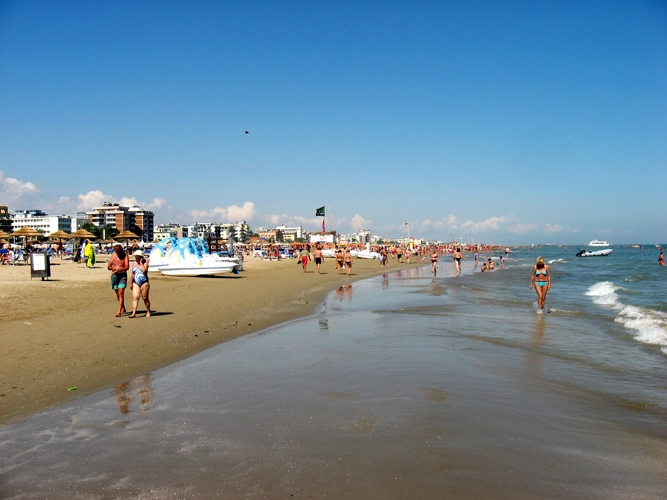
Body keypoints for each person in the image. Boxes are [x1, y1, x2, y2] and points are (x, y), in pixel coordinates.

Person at [108, 244, 129, 317]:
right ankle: (123, 307)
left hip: (122, 276)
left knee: (121, 293)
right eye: (117, 252)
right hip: (115, 276)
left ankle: (119, 311)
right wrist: (113, 268)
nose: (118, 254)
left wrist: (119, 269)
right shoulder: (113, 255)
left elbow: (127, 267)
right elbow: (109, 267)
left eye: (119, 252)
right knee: (117, 293)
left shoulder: (125, 256)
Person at [129, 250, 151, 318]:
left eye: (138, 257)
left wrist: (141, 263)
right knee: (135, 297)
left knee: (145, 298)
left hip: (144, 282)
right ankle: (134, 313)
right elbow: (133, 274)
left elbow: (144, 271)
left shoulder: (145, 263)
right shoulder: (134, 264)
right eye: (136, 257)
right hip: (136, 282)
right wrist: (131, 283)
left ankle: (148, 311)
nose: (136, 259)